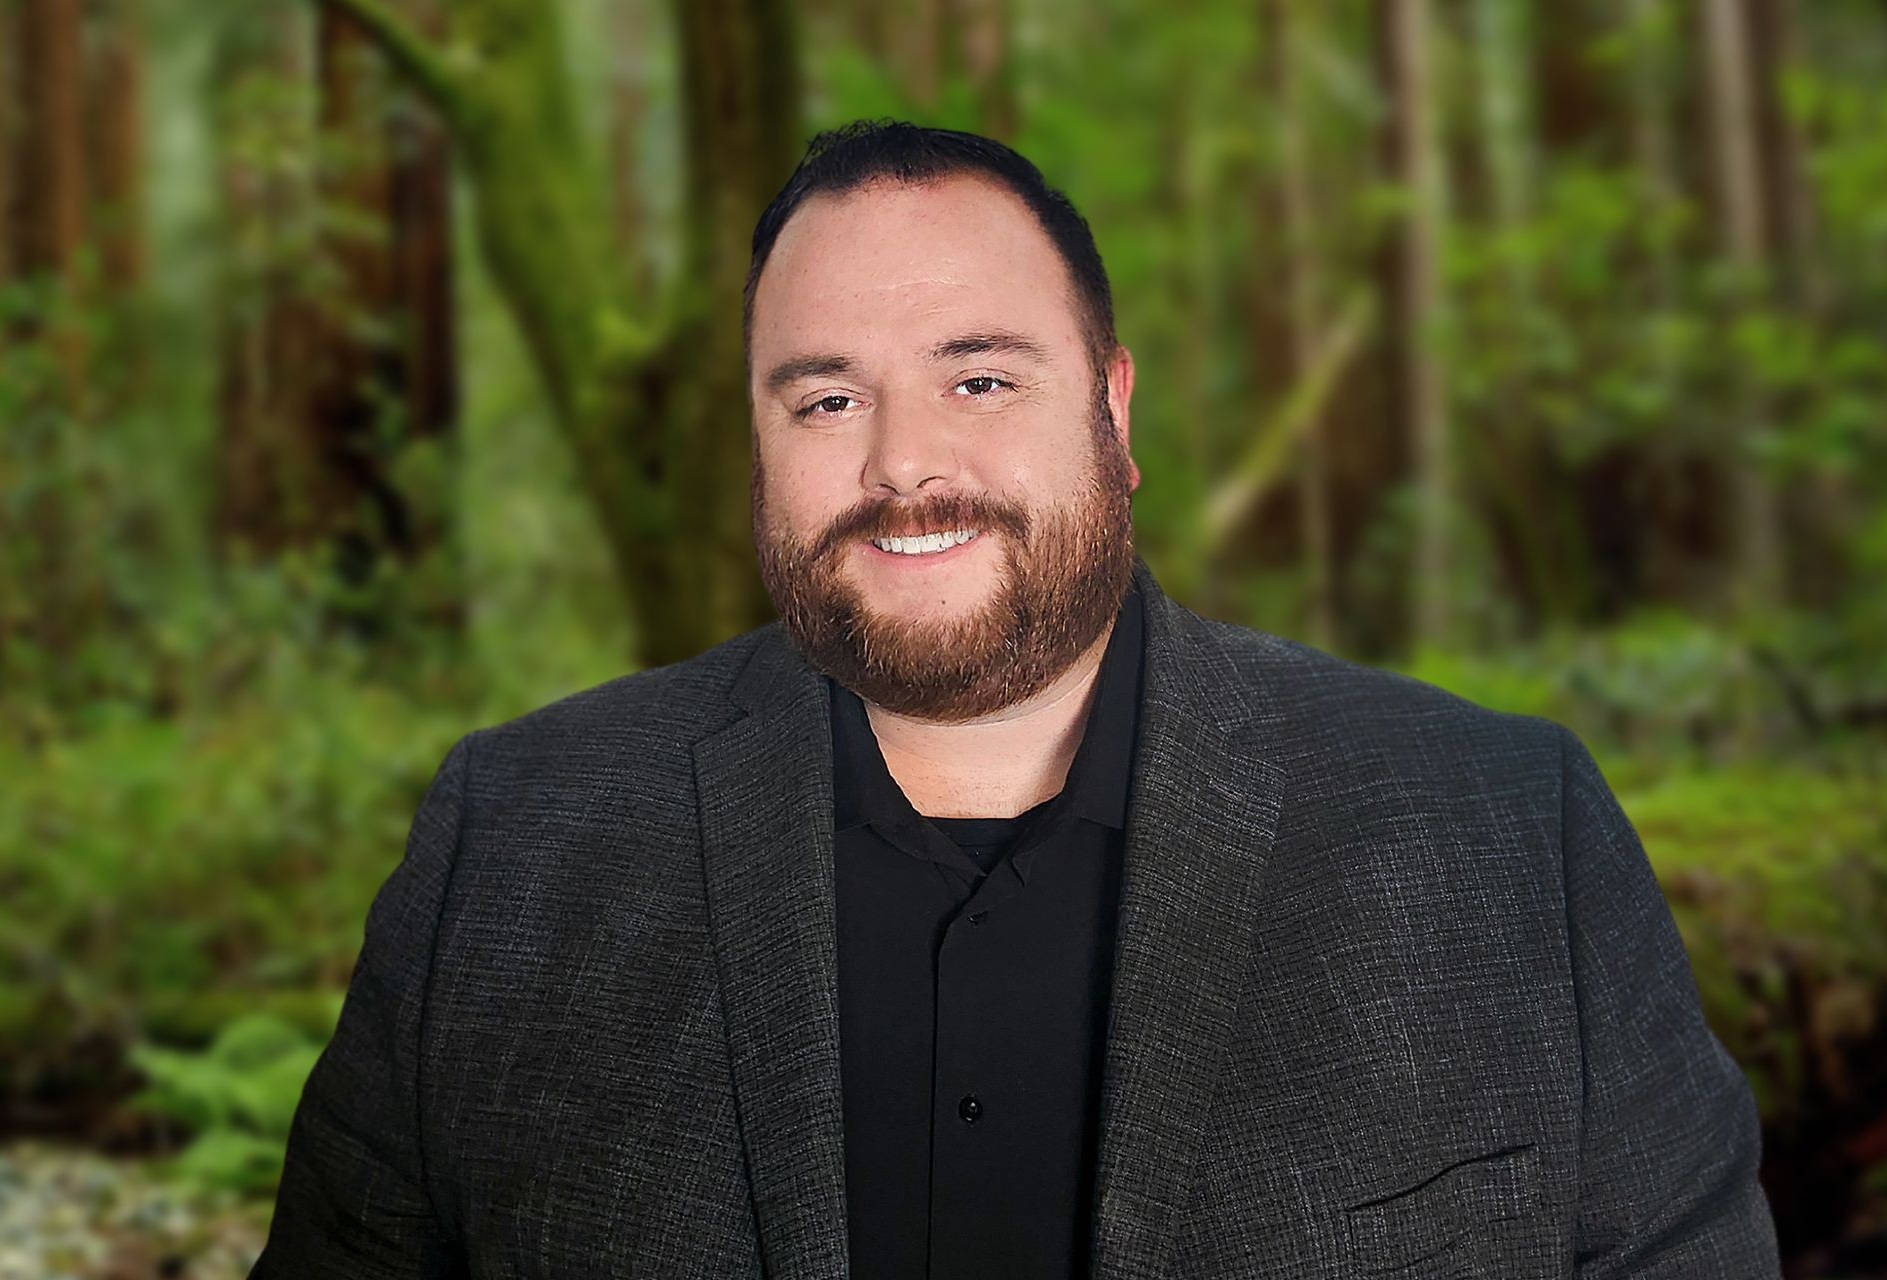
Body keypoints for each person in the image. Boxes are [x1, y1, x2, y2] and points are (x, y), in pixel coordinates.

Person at [252, 120, 1782, 1278]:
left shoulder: (1507, 835)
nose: (904, 465)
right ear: (759, 441)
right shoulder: (509, 846)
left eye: (979, 378)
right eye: (828, 397)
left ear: (1113, 413)